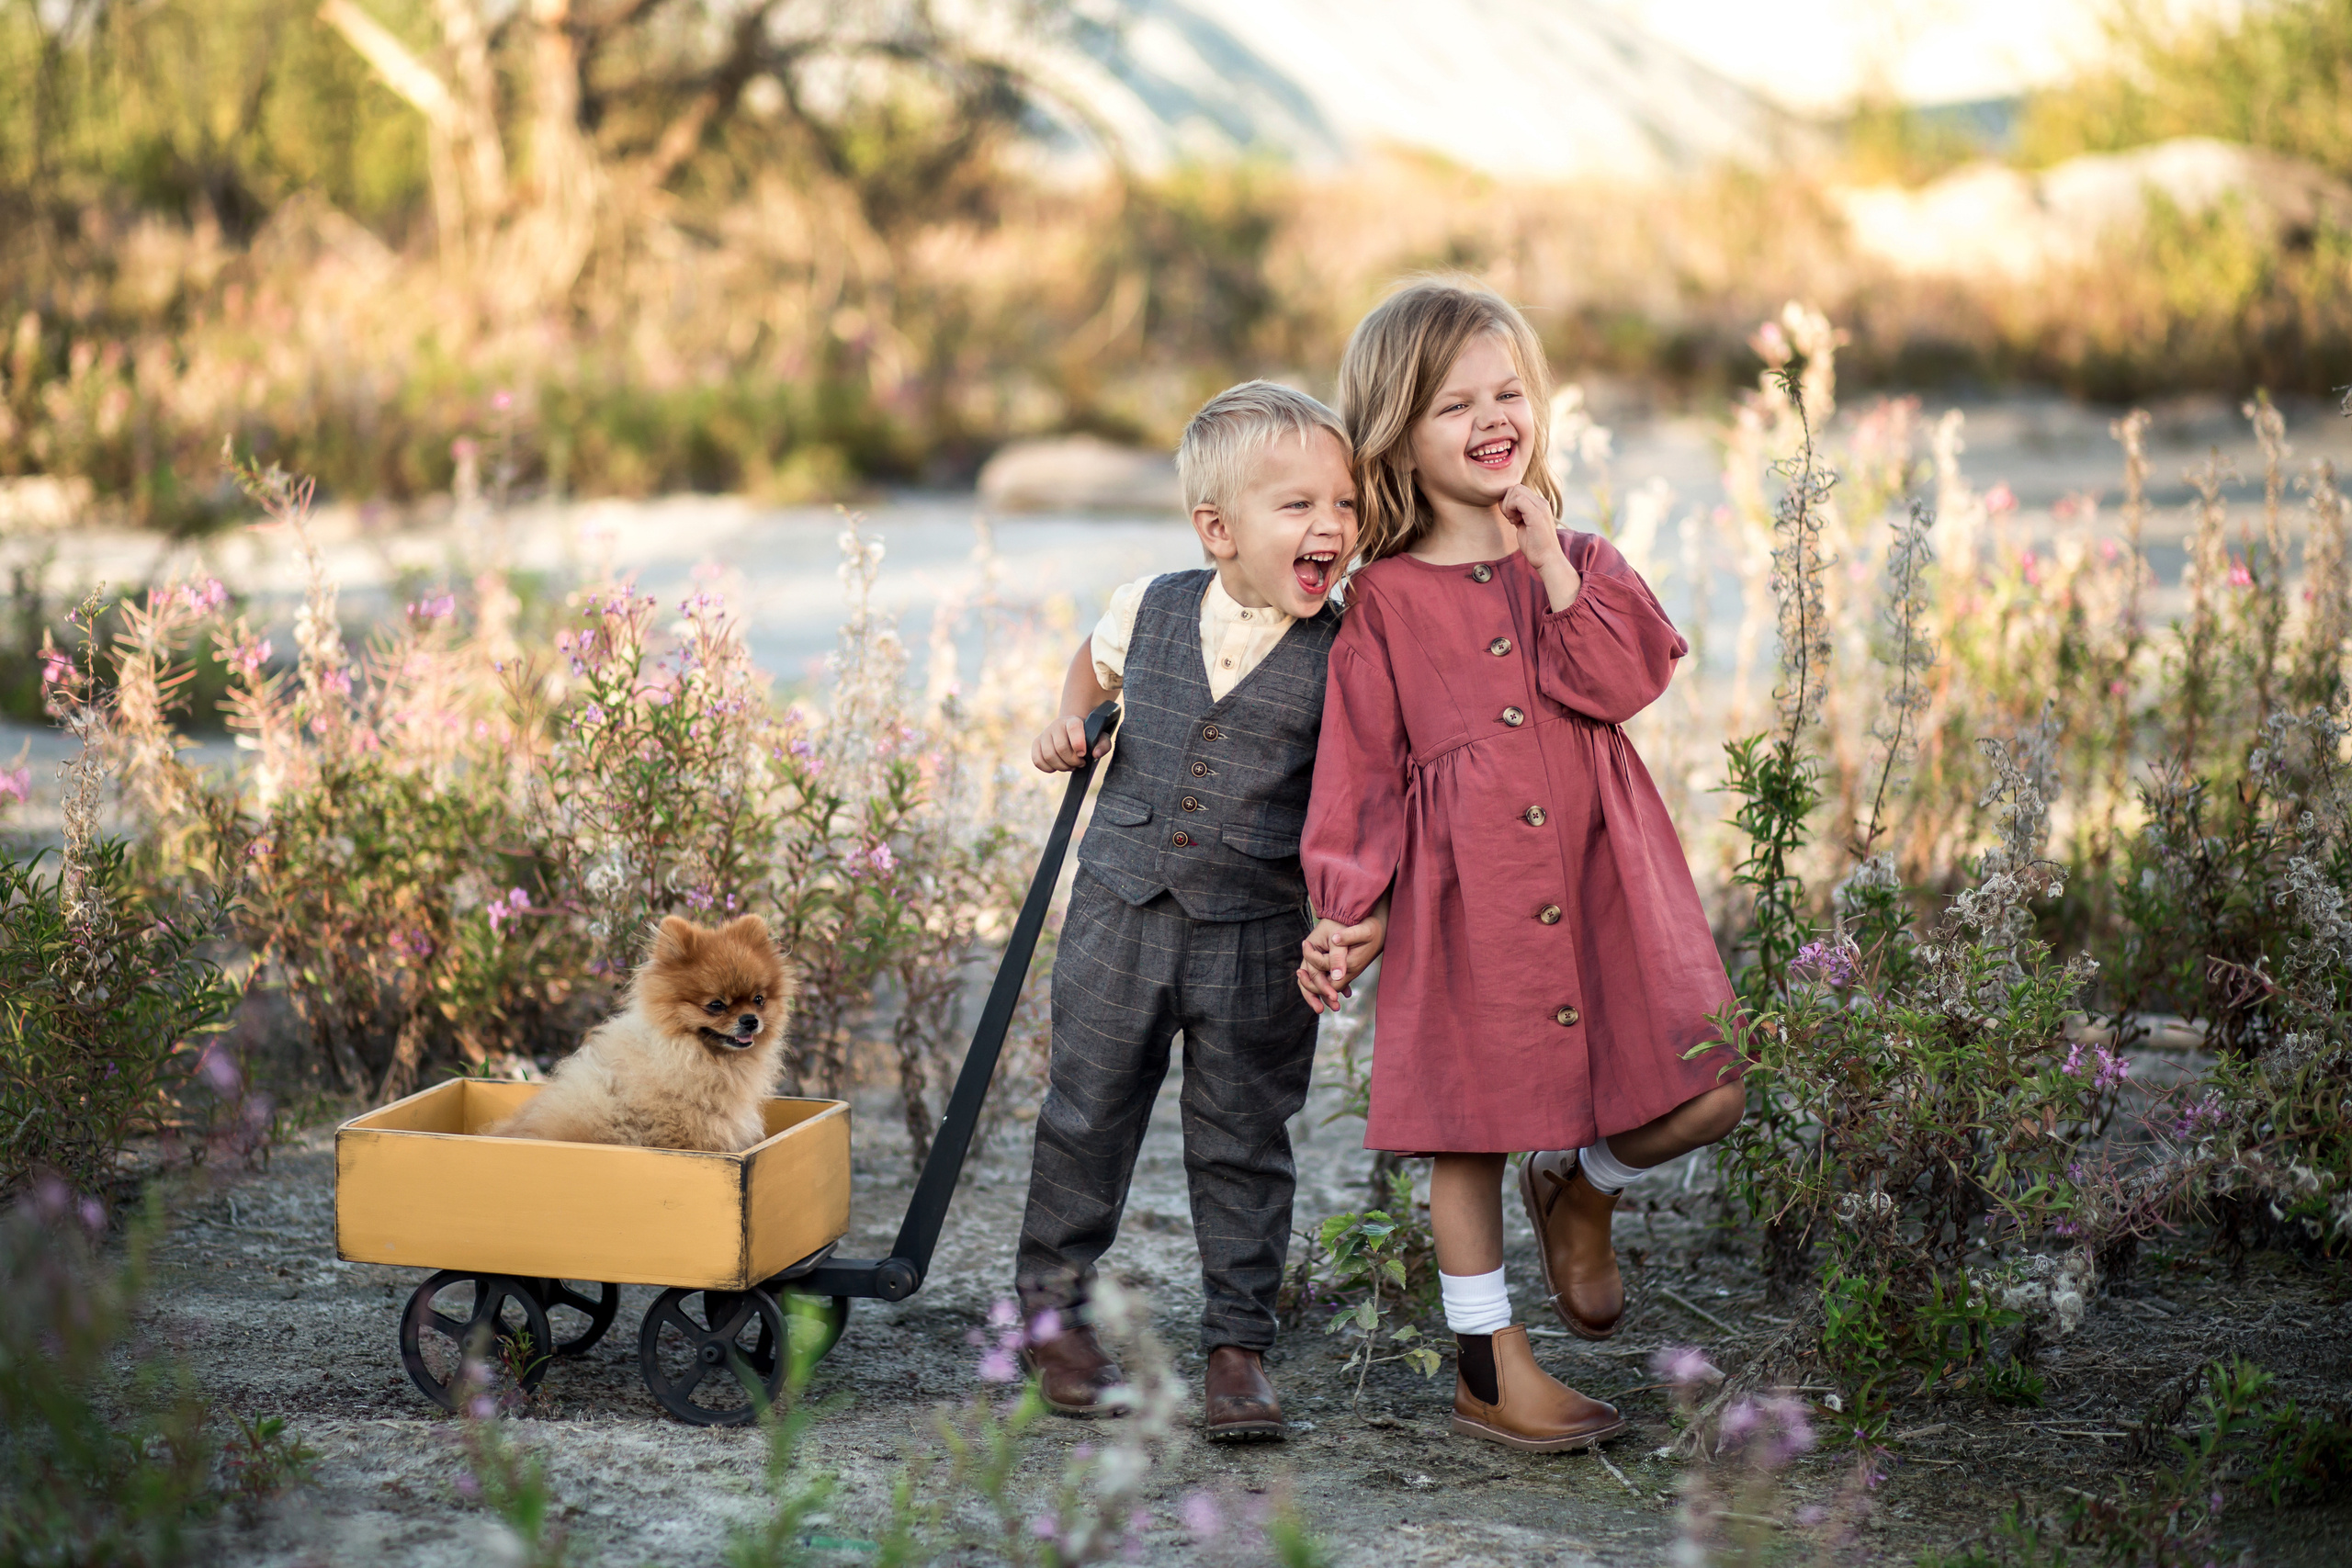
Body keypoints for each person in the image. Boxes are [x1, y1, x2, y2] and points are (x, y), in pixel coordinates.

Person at [1296, 278, 1745, 1453]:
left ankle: (1580, 1177)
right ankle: (1489, 1366)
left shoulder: (1583, 557)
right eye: (1457, 404)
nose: (1494, 417)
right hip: (1469, 898)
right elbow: (1360, 773)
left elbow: (1623, 681)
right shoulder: (1381, 600)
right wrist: (1352, 911)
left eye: (1510, 392)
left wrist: (1548, 555)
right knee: (1469, 1130)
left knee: (1710, 1085)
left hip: (1605, 881)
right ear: (1397, 431)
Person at [1014, 380, 1358, 1441]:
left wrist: (1346, 915)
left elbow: (1358, 800)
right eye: (1297, 506)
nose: (1331, 528)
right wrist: (1070, 720)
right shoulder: (1153, 603)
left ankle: (1237, 1346)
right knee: (1087, 1114)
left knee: (1244, 1139)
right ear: (1217, 529)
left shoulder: (1346, 650)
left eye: (1343, 505)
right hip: (1120, 910)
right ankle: (1050, 1316)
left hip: (1256, 936)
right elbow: (1093, 662)